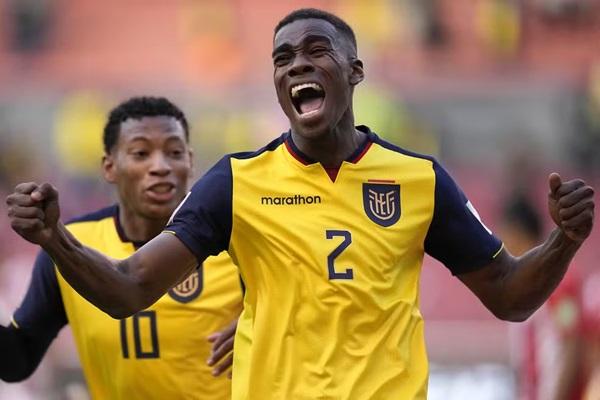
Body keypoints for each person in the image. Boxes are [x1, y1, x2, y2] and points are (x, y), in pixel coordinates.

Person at [5, 9, 596, 400]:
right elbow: (130, 288)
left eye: (317, 51)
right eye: (283, 59)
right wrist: (56, 238)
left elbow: (510, 296)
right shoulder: (236, 182)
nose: (297, 66)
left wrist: (564, 239)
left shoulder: (418, 180)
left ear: (355, 71)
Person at [1, 96, 243, 399]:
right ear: (109, 167)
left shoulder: (236, 245)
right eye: (141, 153)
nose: (160, 166)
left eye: (174, 152)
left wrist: (265, 322)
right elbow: (17, 361)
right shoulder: (71, 247)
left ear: (190, 162)